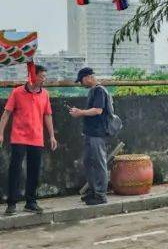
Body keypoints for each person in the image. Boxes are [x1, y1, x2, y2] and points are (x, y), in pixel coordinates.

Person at [1, 64, 57, 215]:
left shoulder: (44, 94)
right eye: (42, 76)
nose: (44, 79)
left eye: (45, 76)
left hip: (37, 138)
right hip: (18, 137)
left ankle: (30, 202)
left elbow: (47, 115)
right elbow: (6, 114)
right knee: (15, 170)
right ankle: (11, 203)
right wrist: (0, 133)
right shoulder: (17, 92)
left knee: (34, 171)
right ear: (33, 75)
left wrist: (51, 136)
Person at [66, 67, 110, 206]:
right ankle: (93, 191)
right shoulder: (93, 91)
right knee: (88, 162)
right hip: (90, 133)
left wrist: (80, 112)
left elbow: (98, 110)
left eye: (82, 81)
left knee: (99, 163)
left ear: (88, 77)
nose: (81, 84)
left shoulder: (99, 90)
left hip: (98, 133)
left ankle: (101, 195)